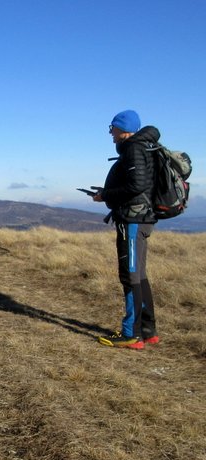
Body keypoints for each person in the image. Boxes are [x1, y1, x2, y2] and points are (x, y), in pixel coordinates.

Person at [93, 110, 159, 350]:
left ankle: (132, 333)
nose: (111, 133)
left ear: (123, 129)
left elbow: (136, 185)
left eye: (113, 128)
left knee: (130, 276)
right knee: (139, 275)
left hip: (132, 220)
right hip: (142, 218)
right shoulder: (145, 148)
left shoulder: (133, 149)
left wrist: (106, 195)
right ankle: (148, 330)